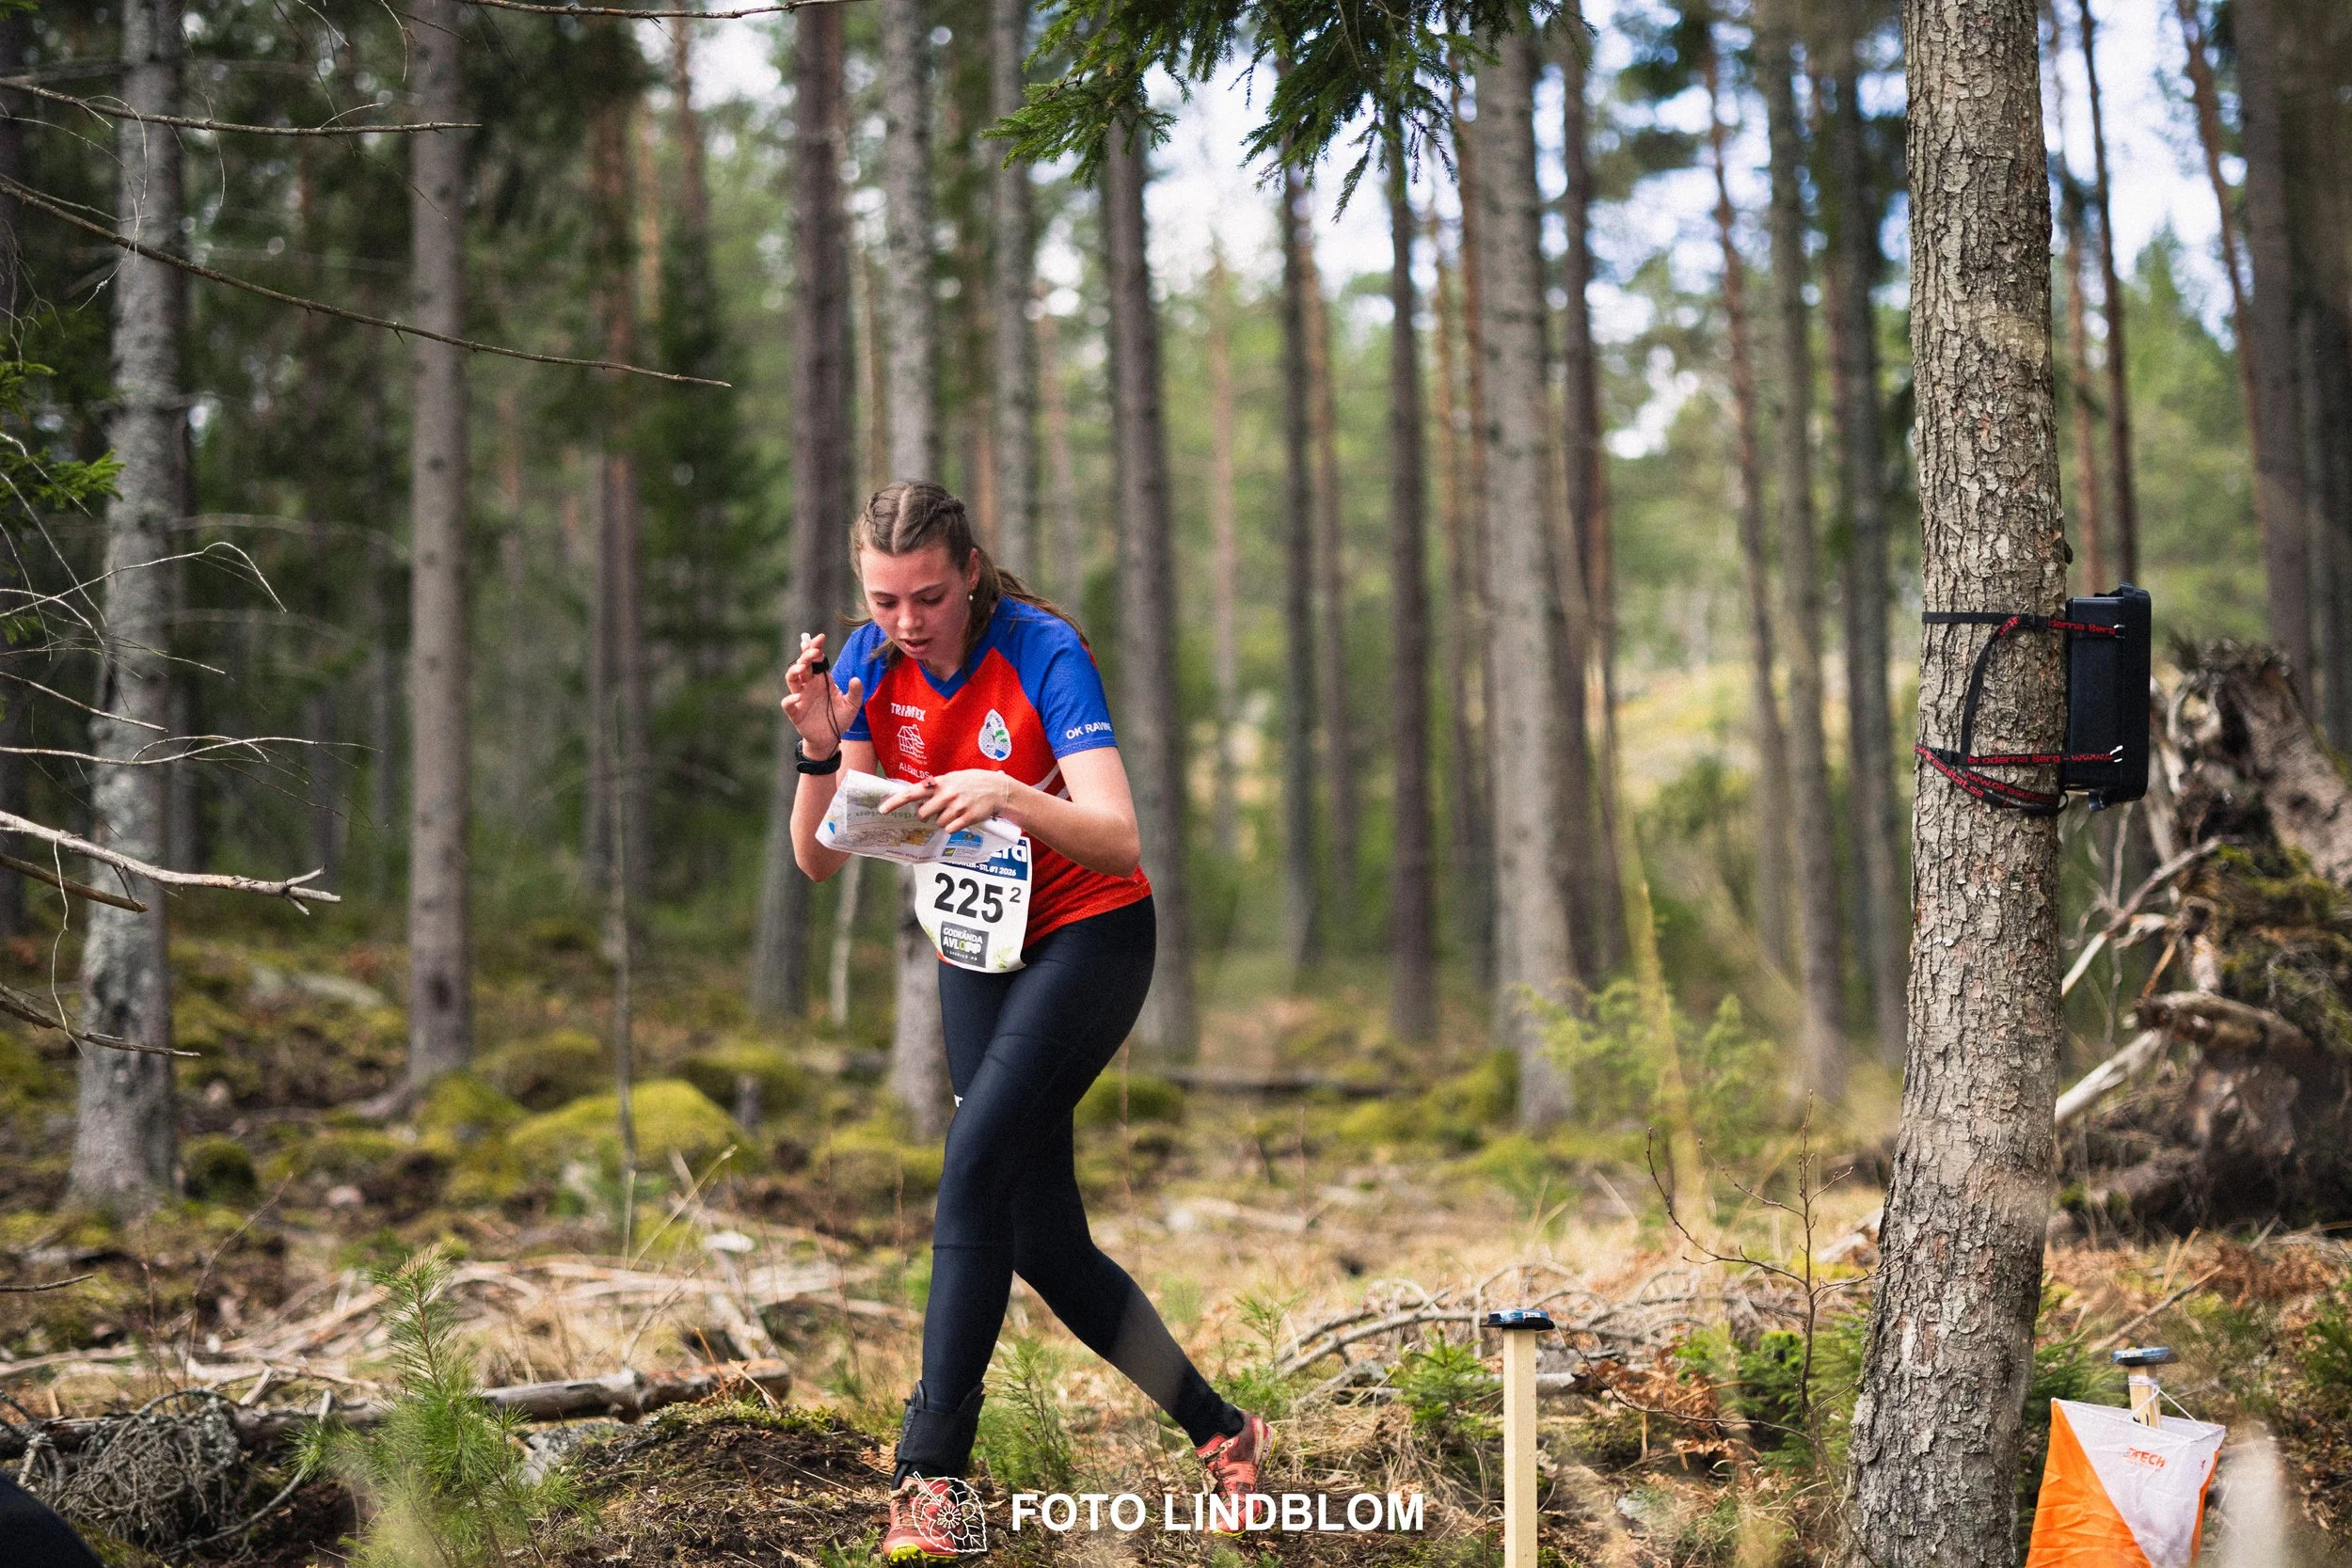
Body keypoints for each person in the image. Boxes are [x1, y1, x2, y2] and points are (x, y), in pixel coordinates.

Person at [783, 482, 1268, 1561]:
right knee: (1043, 1238)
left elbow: (1117, 837)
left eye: (928, 597)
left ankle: (930, 1479)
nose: (907, 622)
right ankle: (1224, 1430)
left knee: (969, 1172)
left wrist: (1003, 789)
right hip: (979, 950)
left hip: (1090, 936)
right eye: (883, 599)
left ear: (969, 572)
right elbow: (820, 857)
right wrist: (824, 745)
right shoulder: (866, 662)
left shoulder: (1042, 649)